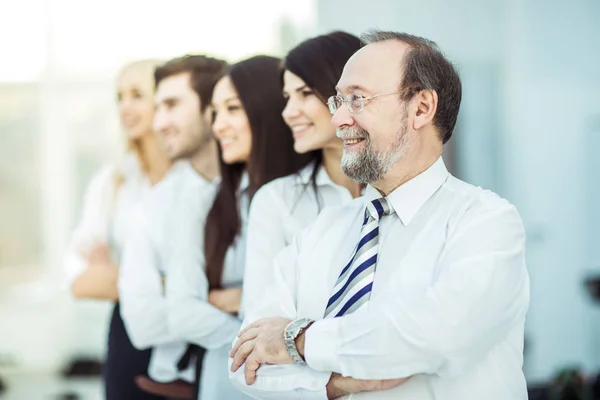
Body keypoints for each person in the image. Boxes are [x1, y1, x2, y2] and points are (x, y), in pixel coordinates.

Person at [229, 30, 530, 399]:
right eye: (338, 100)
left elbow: (433, 337)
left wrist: (297, 338)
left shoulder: (485, 222)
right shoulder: (320, 232)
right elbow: (245, 363)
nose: (338, 118)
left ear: (421, 108)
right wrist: (330, 385)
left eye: (357, 99)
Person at [165, 55, 312, 400]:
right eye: (215, 113)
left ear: (267, 108)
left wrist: (237, 300)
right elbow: (183, 311)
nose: (218, 126)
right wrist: (265, 340)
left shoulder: (313, 199)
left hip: (309, 380)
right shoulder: (203, 203)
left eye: (232, 109)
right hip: (231, 378)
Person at [118, 55, 227, 396]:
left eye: (172, 106)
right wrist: (223, 301)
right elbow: (143, 321)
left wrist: (187, 295)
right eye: (158, 107)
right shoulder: (154, 206)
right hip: (181, 386)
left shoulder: (262, 191)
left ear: (213, 108)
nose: (158, 122)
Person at [64, 59, 172, 400]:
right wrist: (173, 283)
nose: (125, 106)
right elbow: (81, 279)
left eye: (137, 95)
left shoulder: (198, 181)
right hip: (129, 338)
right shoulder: (111, 183)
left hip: (192, 337)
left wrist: (116, 275)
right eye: (120, 96)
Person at [241, 31, 364, 314]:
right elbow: (258, 319)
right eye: (287, 97)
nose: (288, 112)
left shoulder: (398, 193)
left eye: (305, 93)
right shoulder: (277, 201)